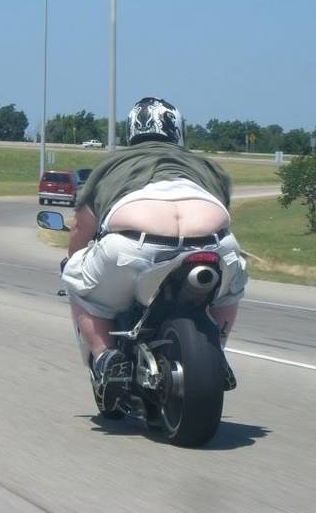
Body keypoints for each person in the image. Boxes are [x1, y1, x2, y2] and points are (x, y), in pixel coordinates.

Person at [61, 97, 248, 410]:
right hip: (213, 244)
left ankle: (106, 357)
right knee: (229, 292)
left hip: (134, 247)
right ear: (178, 130)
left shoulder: (111, 166)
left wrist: (73, 261)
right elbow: (221, 211)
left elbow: (82, 227)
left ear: (132, 131)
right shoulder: (206, 166)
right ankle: (216, 354)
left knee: (77, 281)